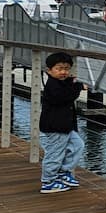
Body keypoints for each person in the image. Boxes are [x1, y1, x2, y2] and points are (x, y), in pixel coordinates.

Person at [39, 51, 88, 194]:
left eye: (66, 69)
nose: (63, 72)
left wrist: (72, 82)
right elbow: (65, 97)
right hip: (55, 126)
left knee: (78, 145)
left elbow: (65, 86)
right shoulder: (52, 85)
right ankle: (48, 181)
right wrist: (78, 87)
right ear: (49, 70)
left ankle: (63, 172)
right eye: (59, 69)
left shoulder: (60, 82)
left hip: (65, 126)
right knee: (55, 154)